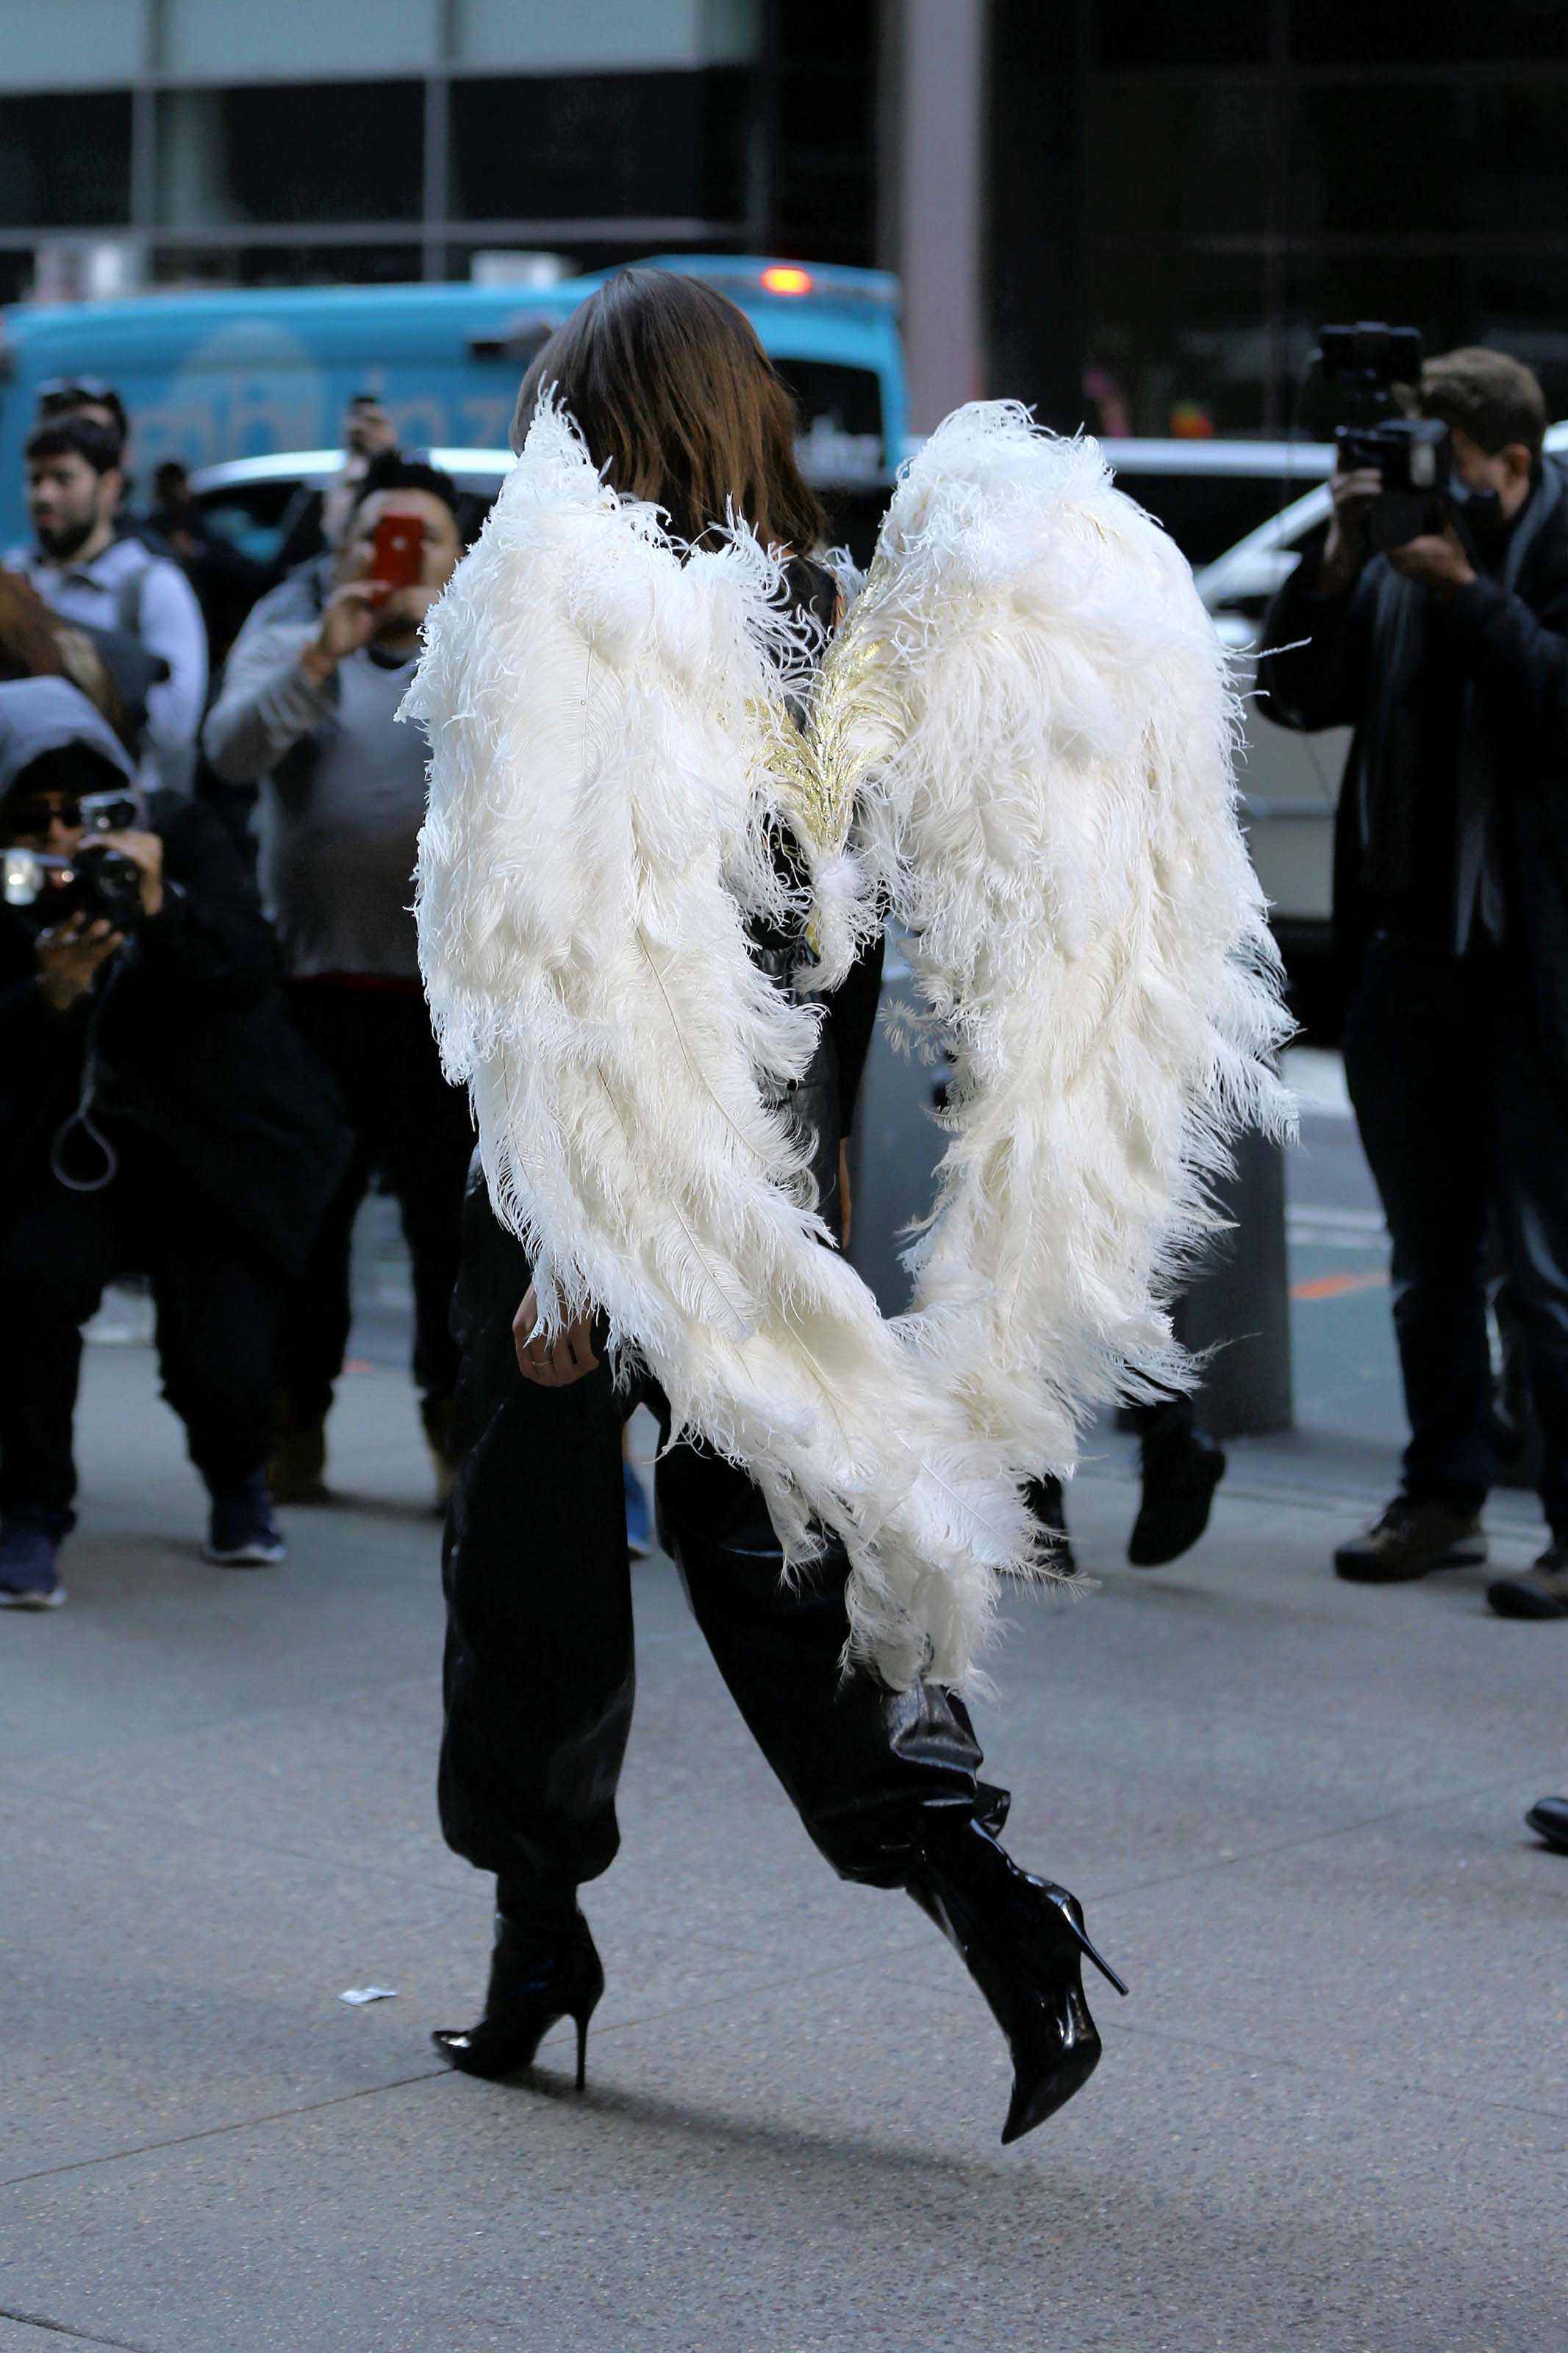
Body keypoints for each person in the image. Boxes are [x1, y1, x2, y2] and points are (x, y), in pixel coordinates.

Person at [406, 272, 1285, 2140]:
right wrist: (808, 1173)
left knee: (535, 1574)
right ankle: (985, 1903)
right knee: (791, 1534)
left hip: (587, 1178)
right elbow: (829, 949)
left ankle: (536, 1936)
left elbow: (556, 956)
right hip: (753, 1175)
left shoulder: (581, 617)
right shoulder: (838, 630)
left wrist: (567, 1247)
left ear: (602, 416)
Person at [1259, 348, 1568, 1611]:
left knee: (1542, 1267)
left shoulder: (1541, 551)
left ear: (1507, 460)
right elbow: (1291, 690)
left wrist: (1465, 595)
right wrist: (1337, 558)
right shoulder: (1386, 557)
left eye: (1445, 464)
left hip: (1522, 962)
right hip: (1400, 956)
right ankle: (1438, 1495)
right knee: (1422, 1255)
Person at [0, 678, 346, 1608]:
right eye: (33, 820)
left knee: (225, 1359)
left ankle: (240, 1481)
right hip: (72, 1160)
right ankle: (27, 1511)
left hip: (209, 1150)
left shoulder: (182, 836)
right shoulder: (10, 895)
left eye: (86, 813)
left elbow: (247, 970)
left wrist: (163, 906)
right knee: (27, 1286)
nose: (64, 839)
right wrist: (50, 998)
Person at [203, 451, 473, 1506]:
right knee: (303, 1229)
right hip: (312, 992)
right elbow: (226, 757)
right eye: (371, 536)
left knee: (445, 1237)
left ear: (460, 560)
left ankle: (456, 1435)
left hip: (446, 1004)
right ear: (341, 548)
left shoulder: (488, 656)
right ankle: (291, 1427)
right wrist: (324, 656)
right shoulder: (289, 636)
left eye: (420, 541)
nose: (391, 557)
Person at [6, 416, 207, 793]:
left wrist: (50, 643)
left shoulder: (152, 586)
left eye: (64, 479)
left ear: (110, 485)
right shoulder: (14, 579)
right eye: (35, 480)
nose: (44, 496)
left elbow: (173, 731)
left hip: (112, 815)